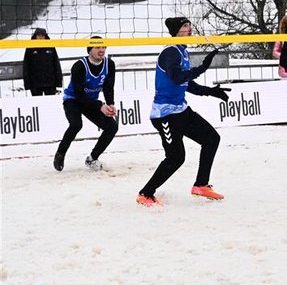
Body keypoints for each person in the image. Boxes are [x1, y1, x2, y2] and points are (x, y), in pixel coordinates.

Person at [137, 17, 230, 207]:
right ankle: (145, 194)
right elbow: (178, 78)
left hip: (181, 110)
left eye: (189, 25)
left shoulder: (182, 50)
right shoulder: (171, 51)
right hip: (165, 115)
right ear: (176, 30)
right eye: (185, 26)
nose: (190, 28)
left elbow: (187, 84)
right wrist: (202, 68)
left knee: (212, 138)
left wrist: (210, 91)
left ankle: (201, 185)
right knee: (176, 157)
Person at [53, 36, 117, 172]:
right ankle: (60, 153)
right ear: (89, 50)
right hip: (73, 100)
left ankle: (92, 158)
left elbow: (108, 86)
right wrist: (100, 105)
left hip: (91, 102)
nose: (102, 50)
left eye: (103, 47)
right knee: (76, 125)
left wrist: (110, 104)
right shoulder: (79, 66)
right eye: (97, 47)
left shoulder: (109, 64)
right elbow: (80, 94)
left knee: (112, 127)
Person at [22, 28, 63, 96]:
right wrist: (27, 84)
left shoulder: (50, 46)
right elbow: (26, 66)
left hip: (50, 83)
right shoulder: (30, 48)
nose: (40, 37)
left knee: (50, 104)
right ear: (35, 36)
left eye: (42, 35)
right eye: (38, 35)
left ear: (45, 37)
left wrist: (59, 82)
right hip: (35, 83)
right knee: (37, 104)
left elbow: (56, 64)